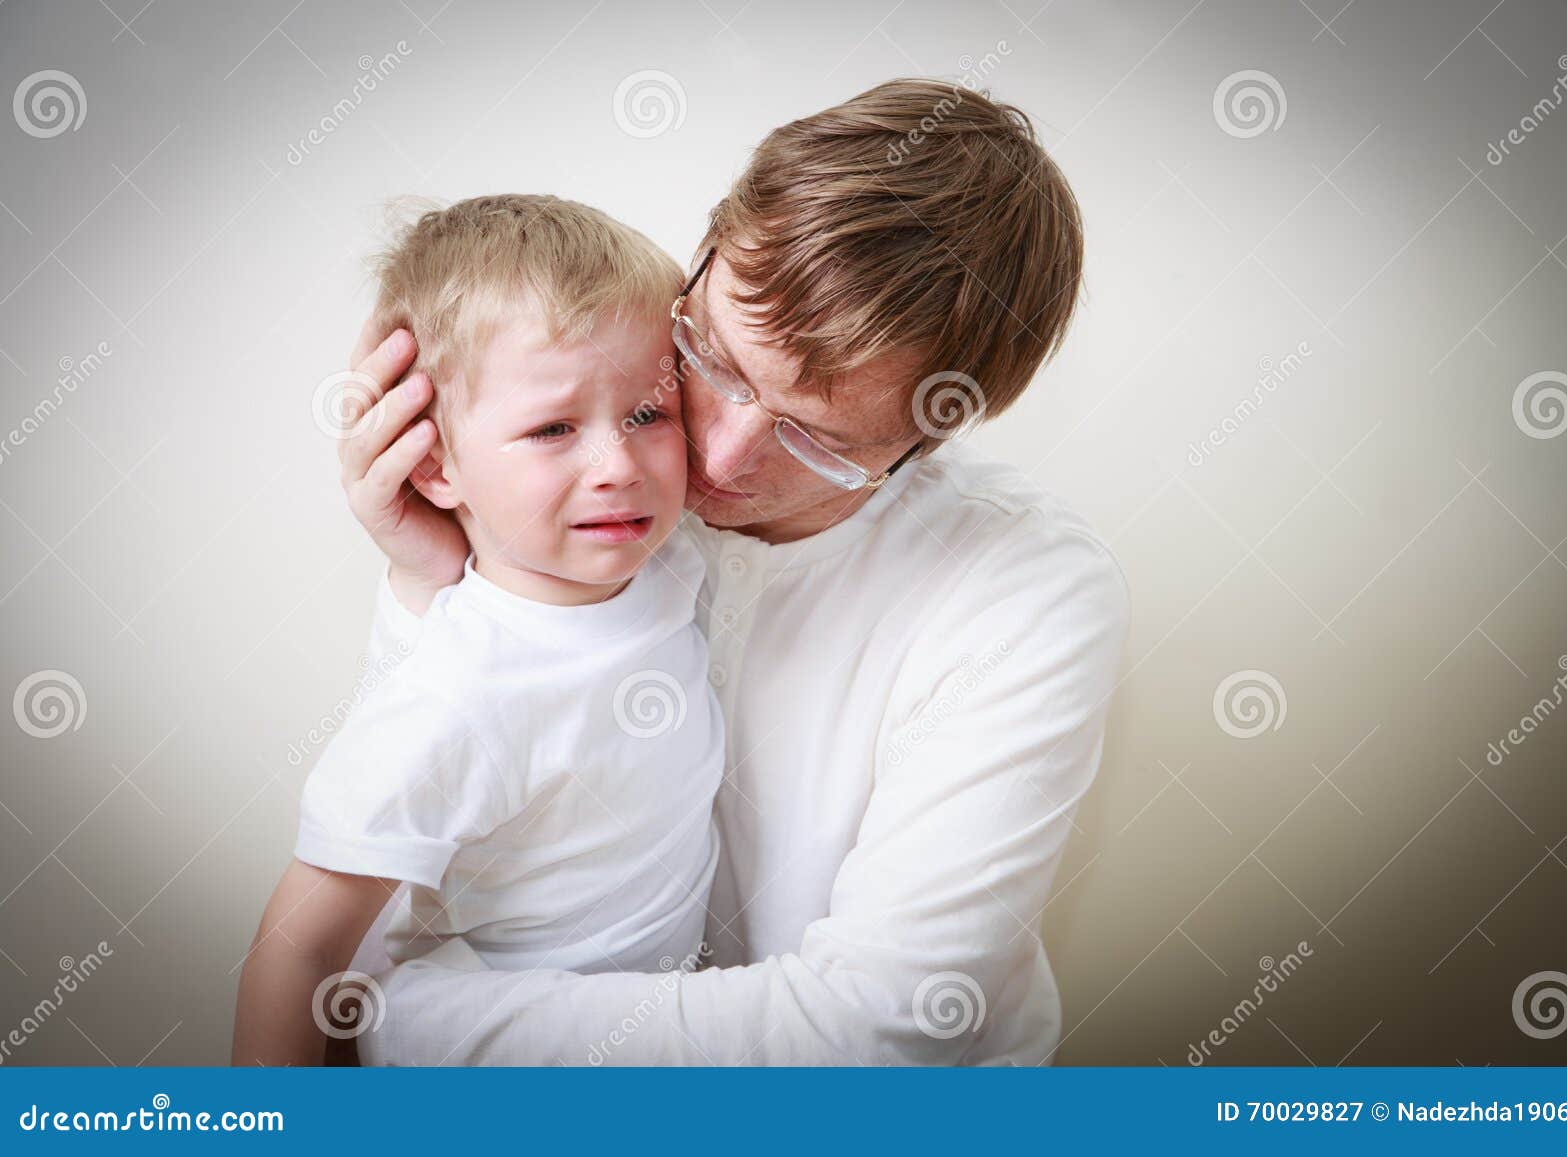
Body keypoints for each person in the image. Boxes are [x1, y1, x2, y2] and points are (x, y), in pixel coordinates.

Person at [339, 78, 1130, 1065]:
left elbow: (879, 1033)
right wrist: (430, 585)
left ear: (924, 437)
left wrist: (390, 1020)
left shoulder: (1027, 594)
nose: (714, 456)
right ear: (703, 253)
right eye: (710, 356)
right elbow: (398, 885)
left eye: (816, 435)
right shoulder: (601, 493)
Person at [231, 195, 724, 1066]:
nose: (619, 467)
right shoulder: (457, 692)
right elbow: (295, 950)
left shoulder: (676, 561)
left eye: (650, 414)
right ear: (433, 463)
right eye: (552, 428)